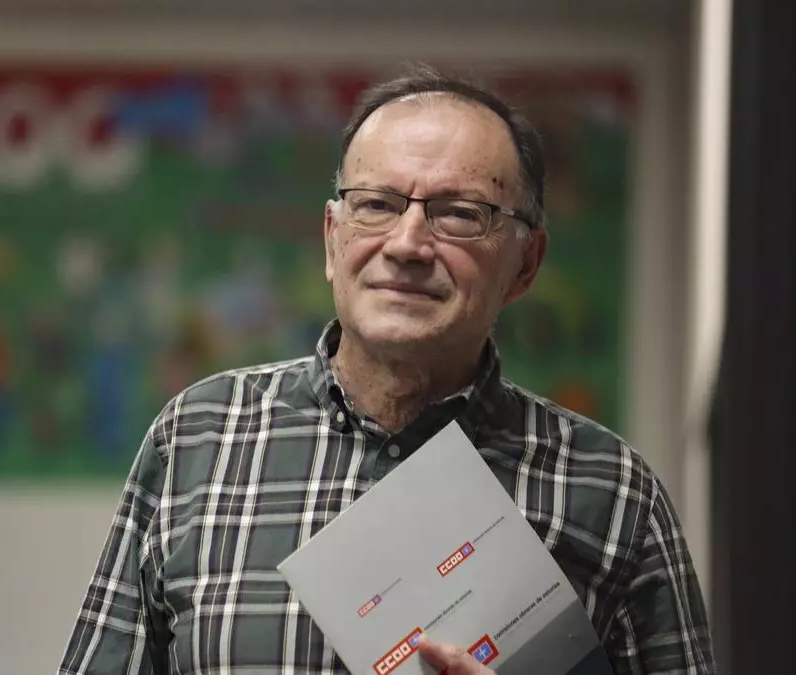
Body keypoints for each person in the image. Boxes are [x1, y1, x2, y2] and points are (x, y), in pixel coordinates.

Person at [57, 67, 715, 675]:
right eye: (377, 204)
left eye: (460, 213)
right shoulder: (198, 437)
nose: (406, 244)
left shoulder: (613, 492)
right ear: (331, 236)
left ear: (525, 264)